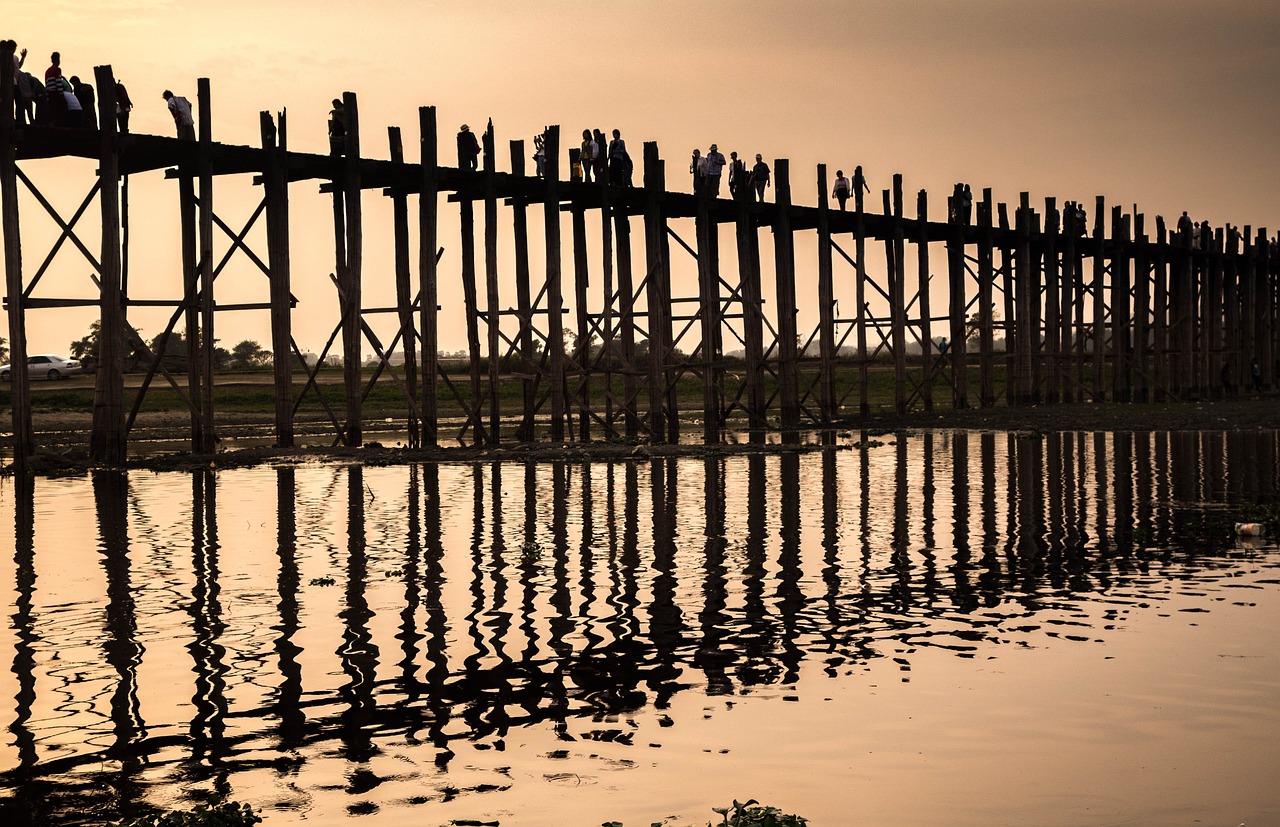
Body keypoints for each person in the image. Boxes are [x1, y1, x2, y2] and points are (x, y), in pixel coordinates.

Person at [44, 52, 67, 127]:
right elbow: (58, 82)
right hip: (55, 93)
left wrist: (47, 96)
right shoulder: (57, 69)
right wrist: (61, 95)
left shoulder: (47, 71)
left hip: (50, 93)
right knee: (60, 111)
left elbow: (46, 84)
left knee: (52, 111)